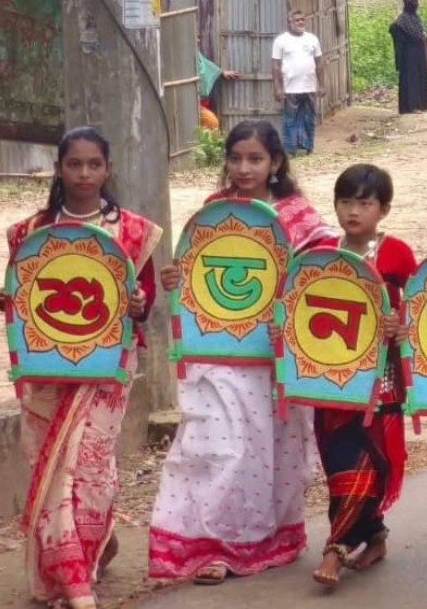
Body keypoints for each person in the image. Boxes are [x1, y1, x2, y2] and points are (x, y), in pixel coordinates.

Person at [150, 120, 338, 583]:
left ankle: (260, 539)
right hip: (215, 353)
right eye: (235, 158)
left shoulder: (298, 217)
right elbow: (196, 274)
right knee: (213, 447)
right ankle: (211, 546)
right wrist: (177, 278)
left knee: (264, 453)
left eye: (255, 159)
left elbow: (325, 276)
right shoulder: (215, 211)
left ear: (275, 162)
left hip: (271, 360)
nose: (243, 167)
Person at [1, 128, 162, 609]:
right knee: (48, 467)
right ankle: (82, 559)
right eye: (75, 164)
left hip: (107, 369)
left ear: (107, 169)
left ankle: (75, 580)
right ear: (59, 169)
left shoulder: (134, 233)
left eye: (95, 164)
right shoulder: (30, 234)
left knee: (89, 466)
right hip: (46, 371)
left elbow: (145, 302)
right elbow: (25, 299)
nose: (85, 173)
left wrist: (137, 303)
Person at [308, 165, 416, 588]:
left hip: (381, 377)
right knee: (339, 463)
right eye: (346, 201)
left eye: (364, 203)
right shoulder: (320, 253)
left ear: (383, 209)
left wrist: (399, 322)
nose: (353, 211)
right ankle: (374, 536)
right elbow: (300, 304)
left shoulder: (398, 254)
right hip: (329, 378)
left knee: (367, 461)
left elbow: (423, 303)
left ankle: (334, 551)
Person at [271, 11, 323, 155]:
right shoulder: (281, 41)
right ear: (289, 23)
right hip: (290, 88)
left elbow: (319, 63)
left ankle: (308, 147)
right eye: (297, 20)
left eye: (302, 20)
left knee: (309, 118)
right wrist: (277, 88)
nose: (301, 22)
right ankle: (290, 150)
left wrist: (322, 85)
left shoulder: (312, 39)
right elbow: (275, 65)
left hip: (309, 87)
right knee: (291, 120)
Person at [390, 0, 427, 115]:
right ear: (407, 4)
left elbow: (420, 32)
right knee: (411, 79)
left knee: (420, 76)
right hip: (409, 55)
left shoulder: (416, 18)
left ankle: (422, 104)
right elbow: (394, 29)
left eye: (416, 1)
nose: (415, 4)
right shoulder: (402, 20)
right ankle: (411, 106)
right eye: (412, 2)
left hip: (419, 53)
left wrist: (423, 36)